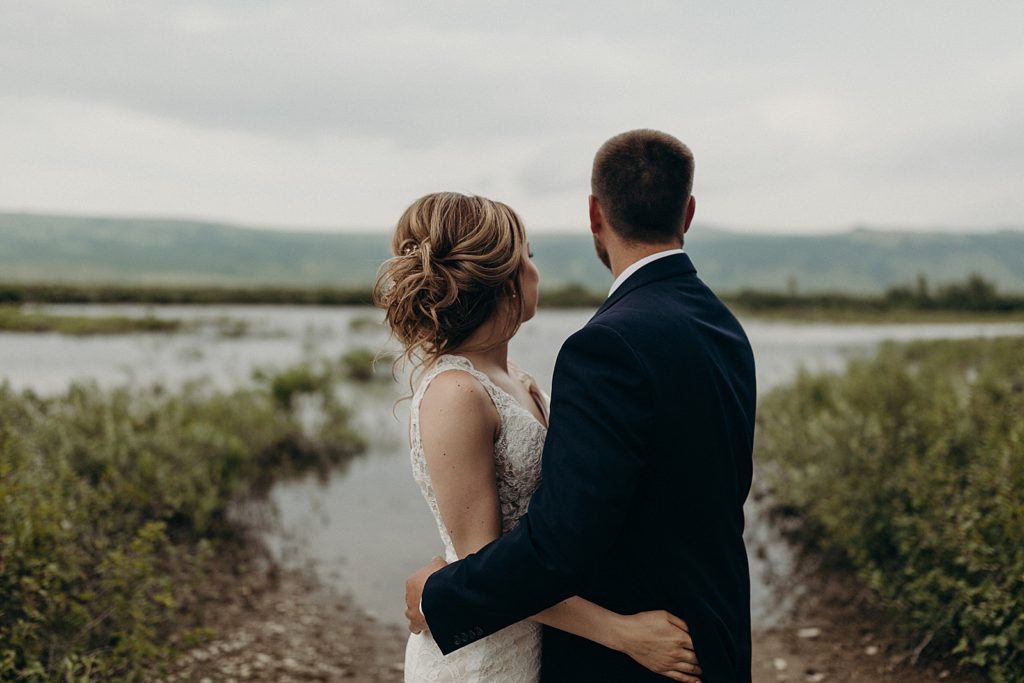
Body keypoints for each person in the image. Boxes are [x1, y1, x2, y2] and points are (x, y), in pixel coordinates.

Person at [403, 130, 757, 682]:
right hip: (710, 632)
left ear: (595, 214)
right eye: (530, 257)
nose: (536, 269)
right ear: (687, 212)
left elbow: (560, 543)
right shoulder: (722, 326)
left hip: (642, 651)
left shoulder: (600, 348)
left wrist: (440, 593)